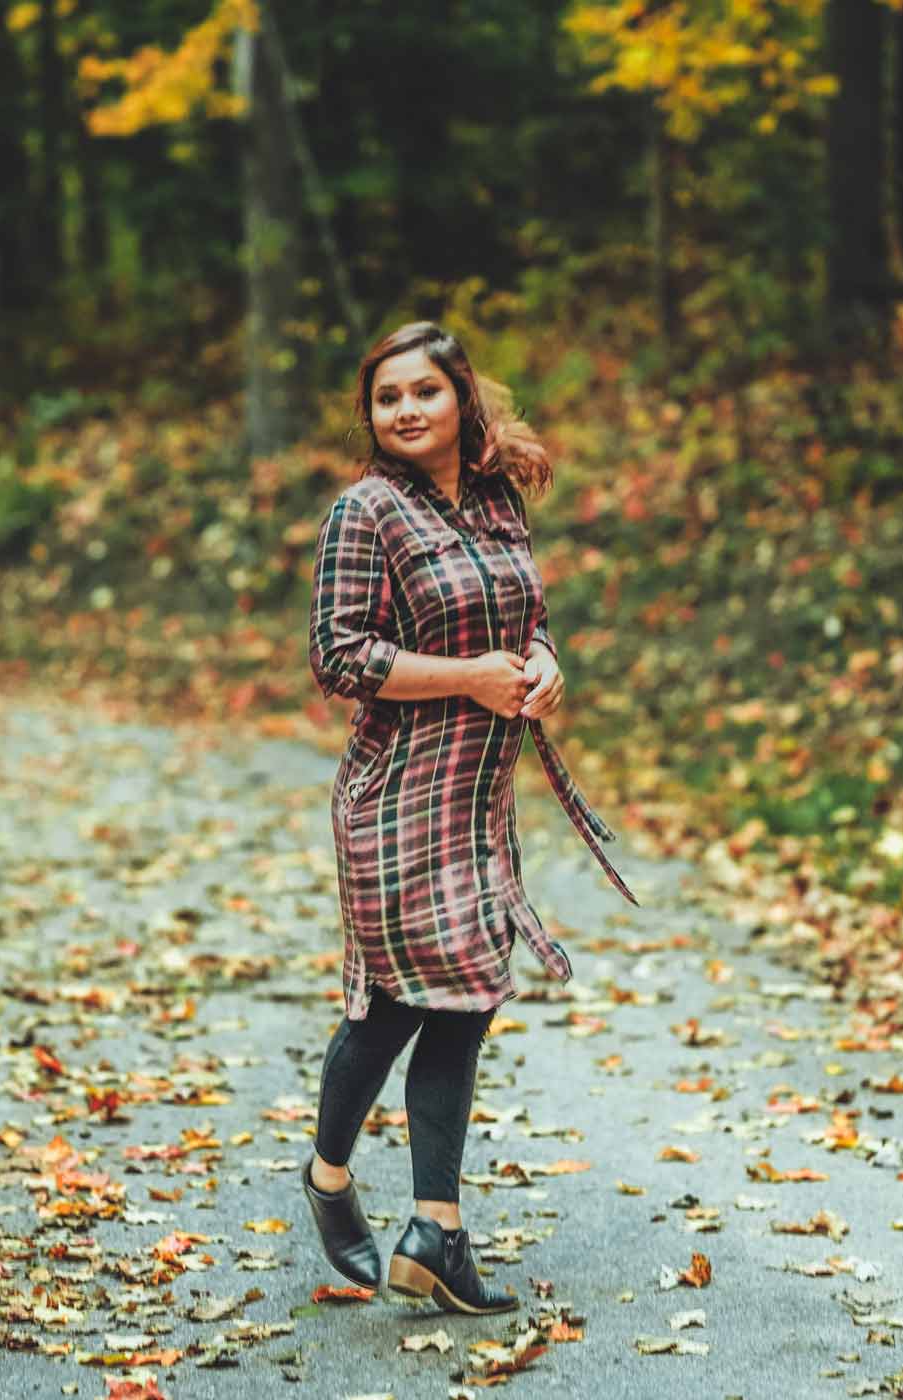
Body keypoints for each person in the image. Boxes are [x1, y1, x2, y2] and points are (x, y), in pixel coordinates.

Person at [303, 321, 637, 1315]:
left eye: (422, 392)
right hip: (395, 795)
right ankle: (329, 1181)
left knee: (464, 995)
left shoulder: (493, 502)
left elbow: (517, 617)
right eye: (385, 397)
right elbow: (338, 654)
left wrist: (541, 664)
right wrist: (468, 679)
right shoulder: (364, 512)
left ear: (460, 400)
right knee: (403, 999)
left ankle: (433, 1231)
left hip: (477, 797)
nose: (403, 410)